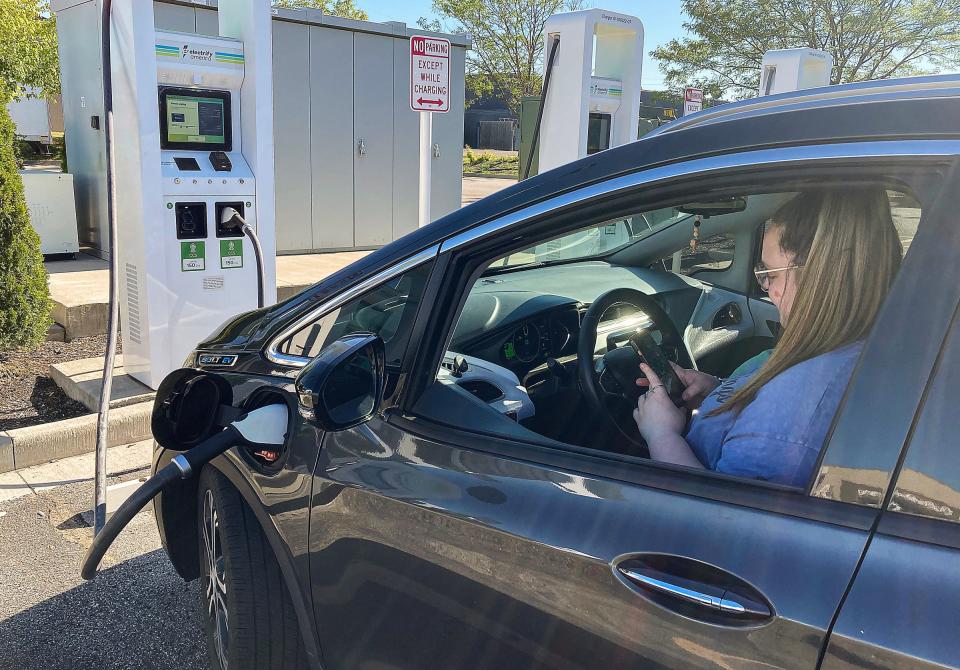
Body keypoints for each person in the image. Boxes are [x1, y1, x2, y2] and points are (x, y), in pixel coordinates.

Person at [633, 188, 903, 486]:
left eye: (771, 275)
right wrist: (717, 389)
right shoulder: (843, 348)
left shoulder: (786, 420)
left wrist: (660, 434)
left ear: (819, 275)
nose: (768, 290)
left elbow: (719, 517)